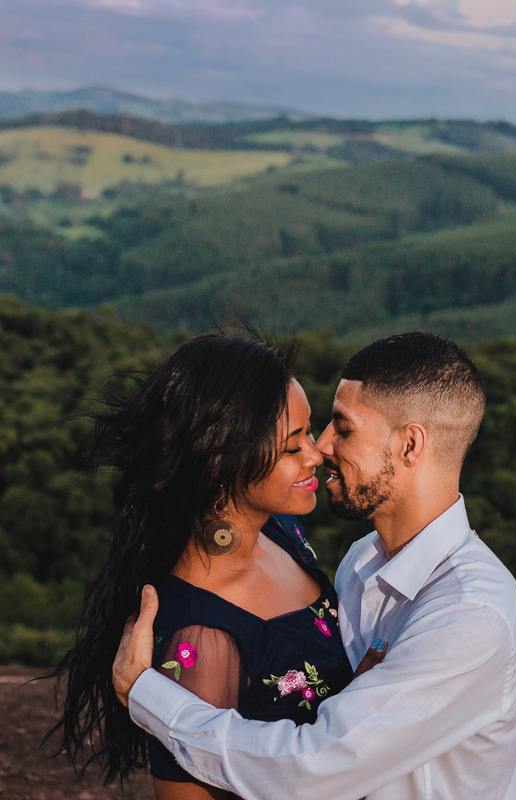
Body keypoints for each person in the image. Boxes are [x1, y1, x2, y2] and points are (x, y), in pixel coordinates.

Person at [114, 331, 516, 800]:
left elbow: (315, 767)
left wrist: (148, 696)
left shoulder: (471, 615)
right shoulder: (360, 563)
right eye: (305, 437)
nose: (322, 448)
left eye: (343, 428)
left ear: (410, 445)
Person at [51, 333, 354, 799]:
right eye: (292, 447)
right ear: (225, 464)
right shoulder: (203, 639)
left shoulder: (279, 532)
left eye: (308, 432)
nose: (316, 454)